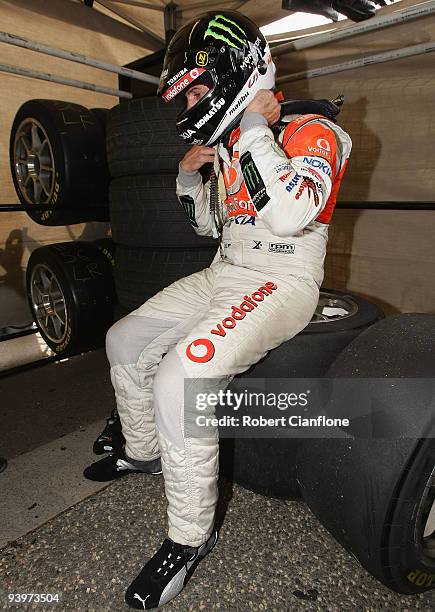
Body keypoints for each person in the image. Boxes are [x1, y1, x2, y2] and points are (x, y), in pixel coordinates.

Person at [84, 9, 352, 610]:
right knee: (126, 340)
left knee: (184, 374)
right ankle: (145, 452)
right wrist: (187, 182)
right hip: (224, 273)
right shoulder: (232, 143)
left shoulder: (316, 132)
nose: (195, 102)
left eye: (200, 87)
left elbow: (288, 216)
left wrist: (255, 130)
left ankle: (188, 538)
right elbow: (216, 227)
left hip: (284, 280)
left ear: (237, 72)